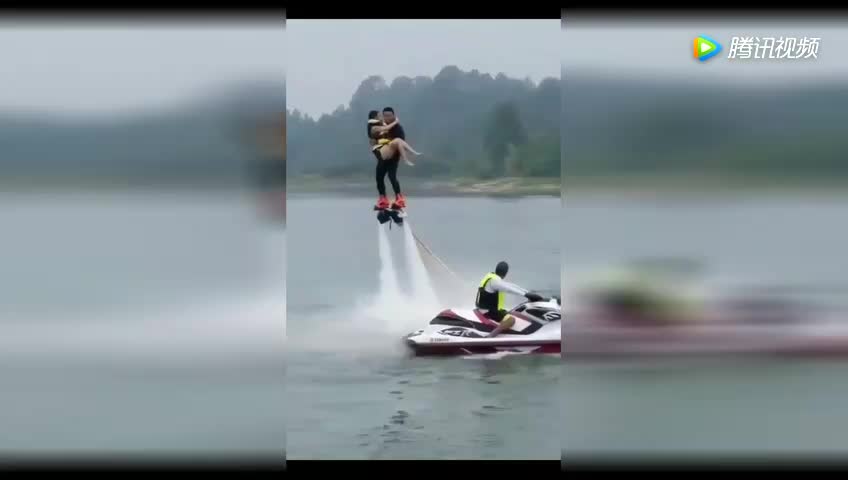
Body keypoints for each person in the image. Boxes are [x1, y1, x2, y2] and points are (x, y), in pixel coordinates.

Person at [367, 107, 421, 210]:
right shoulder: (378, 126)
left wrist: (396, 154)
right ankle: (383, 199)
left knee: (392, 176)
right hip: (382, 155)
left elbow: (400, 142)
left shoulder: (397, 128)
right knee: (379, 177)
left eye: (389, 116)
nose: (386, 117)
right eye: (384, 116)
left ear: (394, 116)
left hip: (393, 156)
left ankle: (399, 198)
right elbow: (375, 137)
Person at [475, 261, 543, 338]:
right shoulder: (494, 281)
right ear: (506, 272)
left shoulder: (491, 278)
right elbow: (508, 289)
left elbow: (511, 286)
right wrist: (526, 295)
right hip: (489, 311)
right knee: (511, 320)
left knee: (515, 313)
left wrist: (528, 293)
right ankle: (490, 336)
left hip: (488, 309)